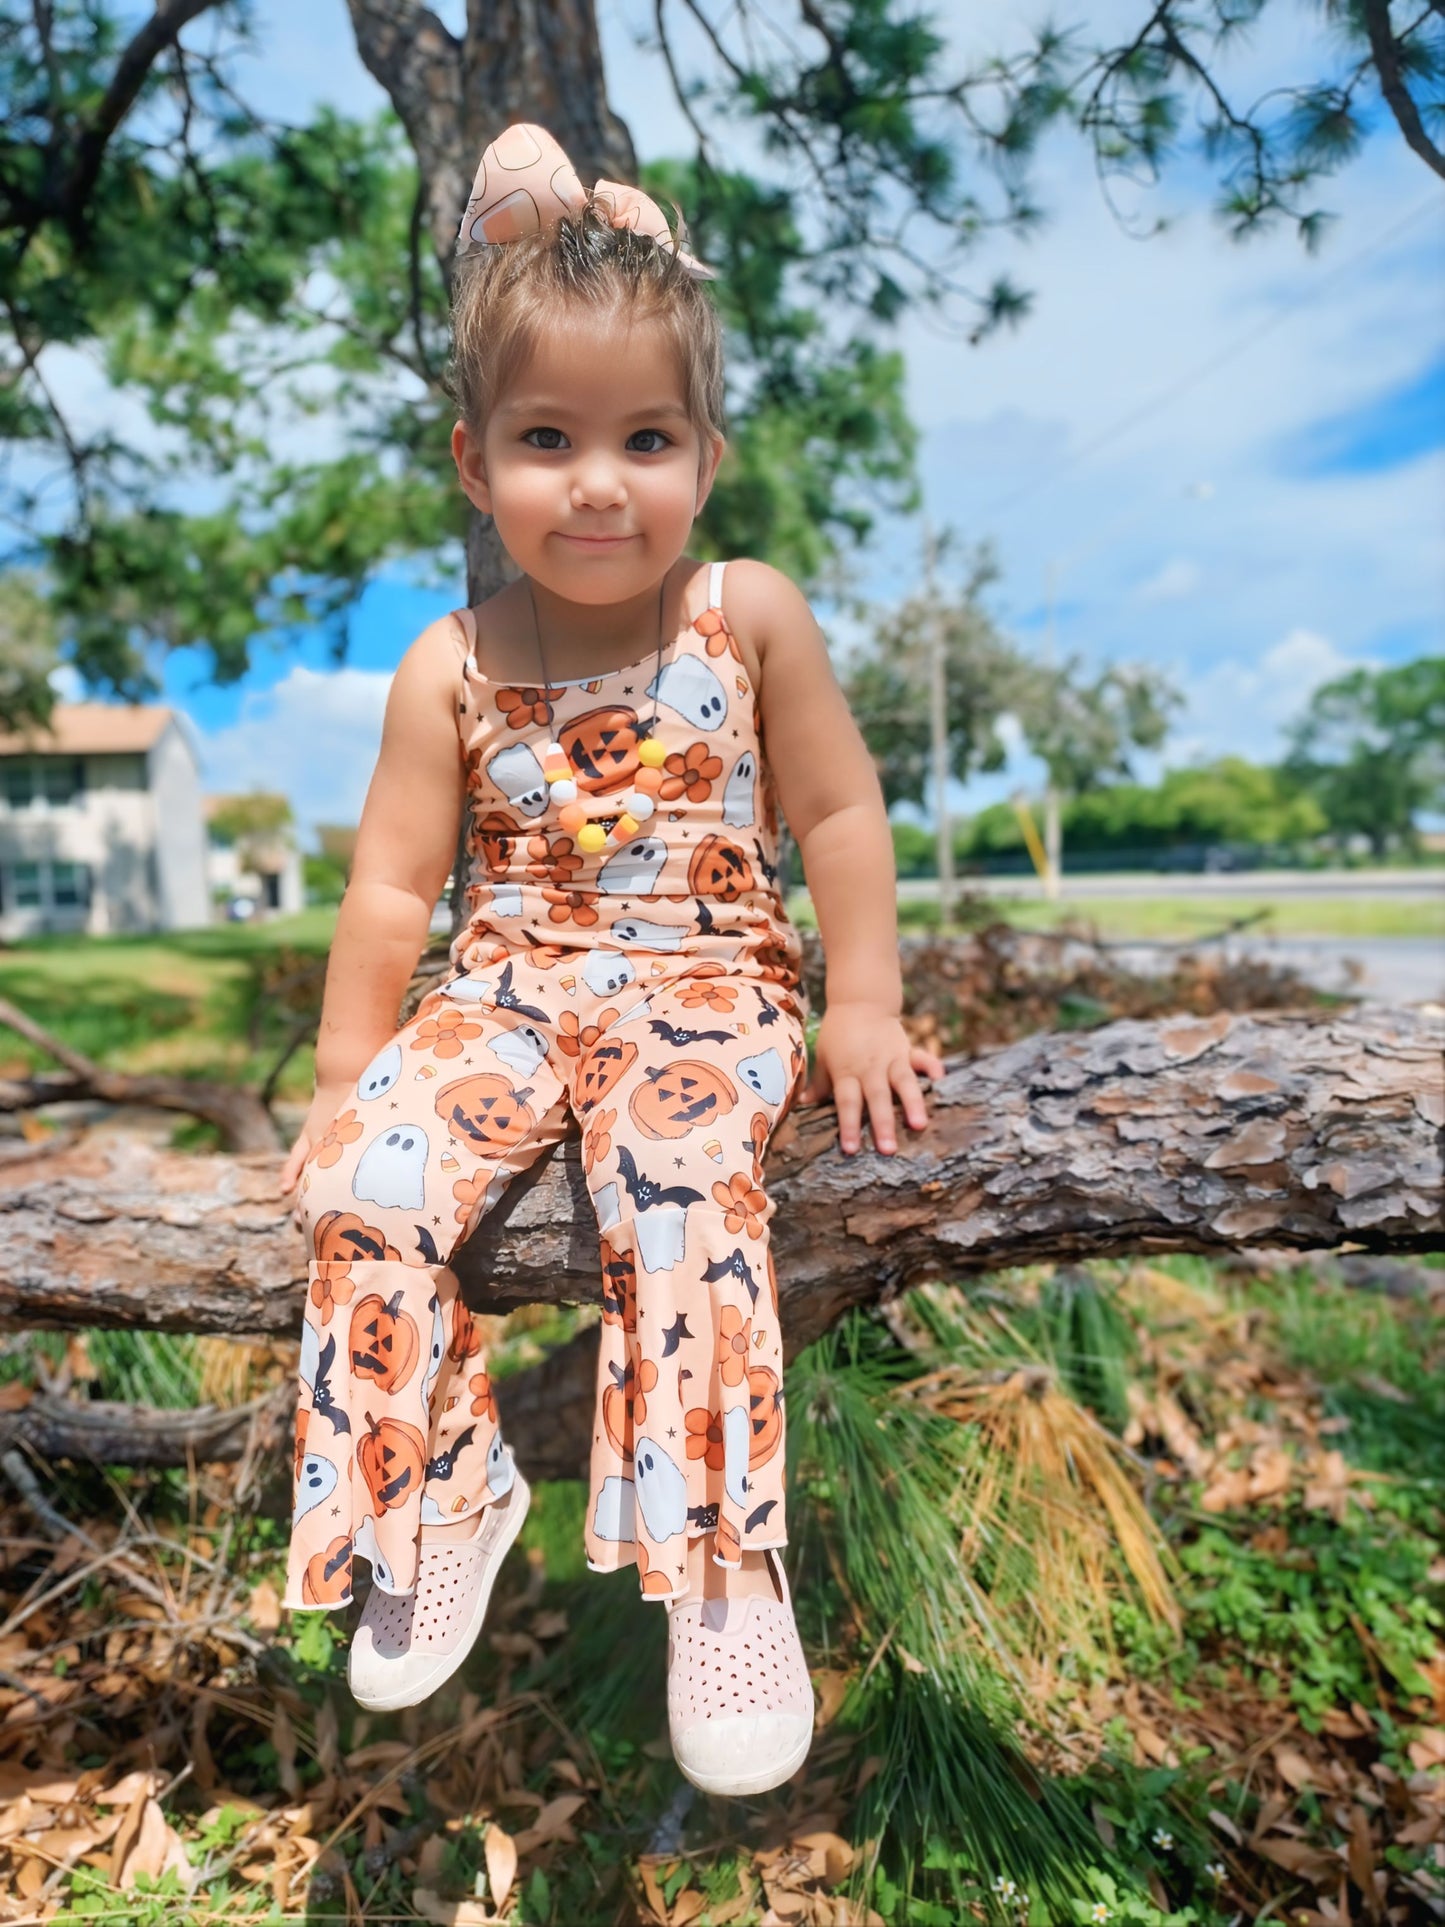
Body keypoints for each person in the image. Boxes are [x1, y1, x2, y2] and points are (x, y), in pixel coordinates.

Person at [275, 122, 944, 1798]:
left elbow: (843, 816)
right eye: (547, 439)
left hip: (708, 978)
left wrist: (858, 996)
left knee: (675, 1170)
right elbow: (387, 891)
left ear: (704, 457)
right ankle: (445, 1490)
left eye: (644, 437)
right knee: (366, 1183)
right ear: (473, 459)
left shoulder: (747, 614)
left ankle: (722, 1564)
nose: (598, 480)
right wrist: (347, 1082)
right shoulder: (451, 662)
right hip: (503, 986)